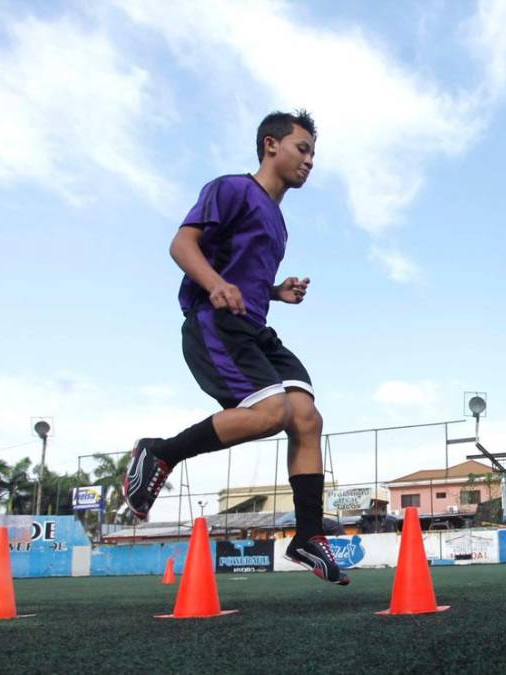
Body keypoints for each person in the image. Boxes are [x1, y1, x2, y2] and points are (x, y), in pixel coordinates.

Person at [123, 110, 347, 585]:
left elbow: (247, 278)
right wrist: (216, 284)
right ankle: (160, 453)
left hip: (255, 327)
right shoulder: (231, 188)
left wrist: (275, 291)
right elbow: (183, 245)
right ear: (271, 145)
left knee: (306, 416)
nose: (309, 161)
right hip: (215, 321)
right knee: (271, 413)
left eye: (313, 154)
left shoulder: (279, 223)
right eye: (301, 149)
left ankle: (307, 535)